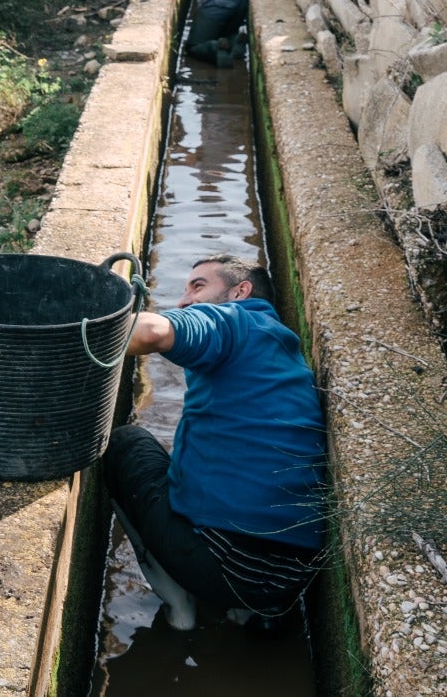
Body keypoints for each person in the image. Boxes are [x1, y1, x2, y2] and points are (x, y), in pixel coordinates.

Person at [102, 254, 328, 631]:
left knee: (126, 443)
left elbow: (152, 333)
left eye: (198, 286)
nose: (183, 300)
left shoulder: (234, 319)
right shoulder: (283, 353)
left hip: (224, 566)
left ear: (240, 292)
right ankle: (243, 613)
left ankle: (179, 606)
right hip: (291, 581)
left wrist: (65, 331)